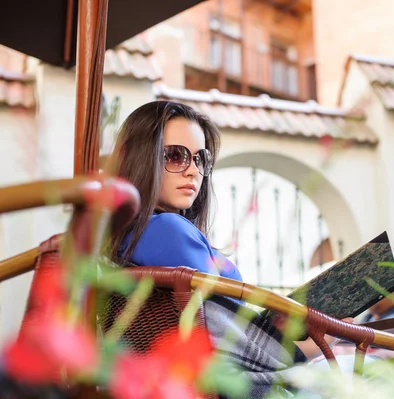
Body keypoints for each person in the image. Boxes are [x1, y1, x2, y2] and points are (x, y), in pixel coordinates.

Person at [105, 101, 343, 396]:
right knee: (390, 367)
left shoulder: (127, 237)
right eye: (176, 156)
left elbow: (222, 322)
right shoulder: (168, 231)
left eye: (200, 158)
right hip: (238, 384)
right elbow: (232, 336)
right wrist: (322, 340)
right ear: (141, 158)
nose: (192, 171)